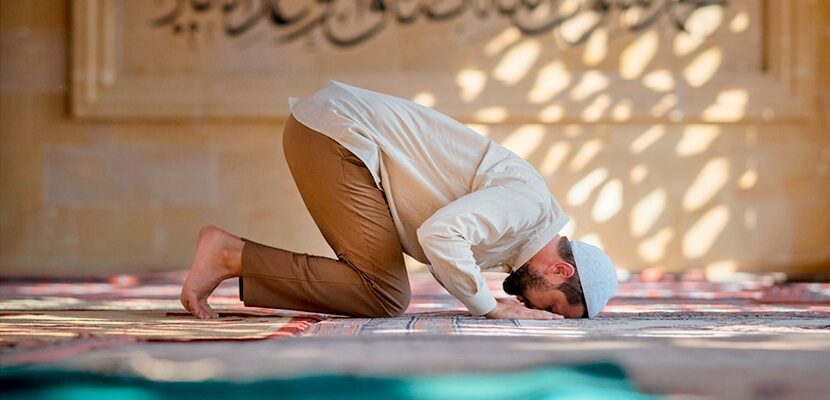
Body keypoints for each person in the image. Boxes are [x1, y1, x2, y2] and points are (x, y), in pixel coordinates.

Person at [180, 81, 617, 320]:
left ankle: (232, 255)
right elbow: (441, 235)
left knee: (385, 293)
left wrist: (486, 300)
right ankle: (228, 255)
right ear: (560, 270)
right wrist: (489, 309)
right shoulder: (529, 206)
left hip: (334, 135)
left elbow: (443, 251)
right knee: (385, 294)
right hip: (337, 136)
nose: (535, 310)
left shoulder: (516, 238)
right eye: (552, 306)